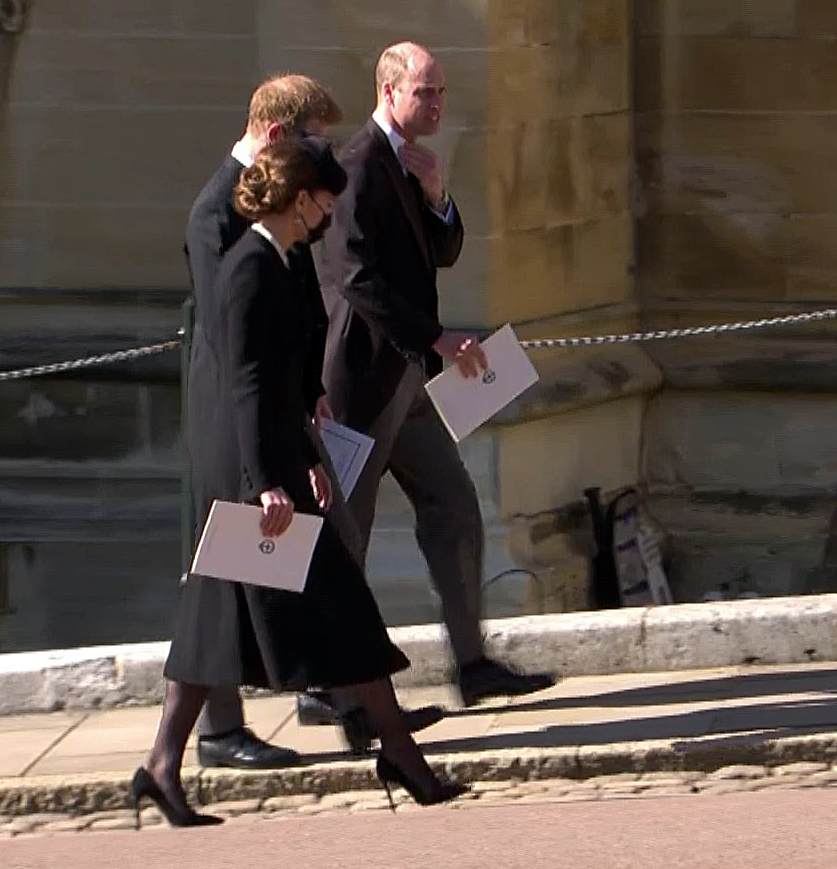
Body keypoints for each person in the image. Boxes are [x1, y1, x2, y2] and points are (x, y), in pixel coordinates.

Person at [132, 137, 468, 827]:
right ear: (298, 199)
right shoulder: (248, 266)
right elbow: (248, 386)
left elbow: (291, 370)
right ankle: (400, 755)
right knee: (308, 605)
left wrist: (310, 453)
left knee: (227, 616)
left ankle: (164, 765)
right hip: (251, 465)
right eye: (322, 201)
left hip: (279, 455)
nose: (327, 215)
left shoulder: (280, 260)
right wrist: (266, 483)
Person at [184, 74, 440, 767]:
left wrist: (309, 390)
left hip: (286, 410)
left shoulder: (279, 205)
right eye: (309, 143)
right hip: (238, 422)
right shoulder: (216, 214)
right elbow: (235, 339)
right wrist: (274, 441)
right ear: (274, 135)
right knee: (227, 579)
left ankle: (353, 704)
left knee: (324, 554)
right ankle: (213, 734)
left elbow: (298, 298)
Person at [314, 42, 556, 707]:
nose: (438, 104)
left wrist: (438, 194)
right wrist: (436, 337)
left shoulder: (407, 162)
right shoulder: (357, 166)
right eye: (425, 92)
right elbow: (353, 277)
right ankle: (327, 682)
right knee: (345, 534)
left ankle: (471, 663)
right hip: (361, 381)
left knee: (453, 507)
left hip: (408, 381)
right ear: (389, 91)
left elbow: (441, 252)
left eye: (442, 92)